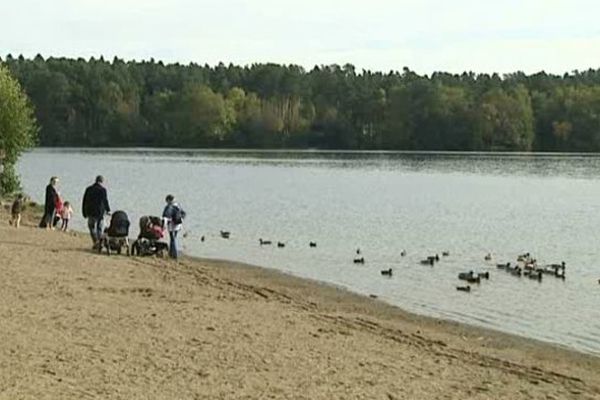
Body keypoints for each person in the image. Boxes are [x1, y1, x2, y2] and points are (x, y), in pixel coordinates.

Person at [82, 175, 111, 248]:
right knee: (99, 228)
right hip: (100, 212)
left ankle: (96, 241)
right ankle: (99, 242)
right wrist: (108, 210)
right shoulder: (103, 190)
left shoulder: (89, 189)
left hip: (90, 211)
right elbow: (105, 201)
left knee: (91, 227)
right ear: (102, 181)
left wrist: (84, 212)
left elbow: (84, 201)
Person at [162, 194, 186, 260]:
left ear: (169, 200)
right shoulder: (178, 205)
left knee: (173, 239)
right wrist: (181, 220)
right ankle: (171, 253)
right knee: (174, 238)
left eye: (167, 201)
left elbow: (166, 217)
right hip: (178, 225)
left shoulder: (169, 207)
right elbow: (183, 214)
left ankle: (174, 255)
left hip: (172, 226)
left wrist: (163, 226)